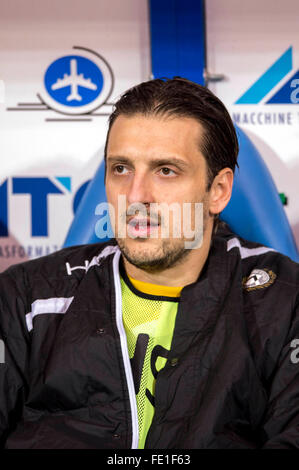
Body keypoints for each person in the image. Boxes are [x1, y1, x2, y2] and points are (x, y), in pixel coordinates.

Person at [0, 78, 299, 449]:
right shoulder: (26, 297)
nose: (135, 196)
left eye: (166, 171)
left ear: (218, 190)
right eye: (121, 169)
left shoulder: (284, 301)